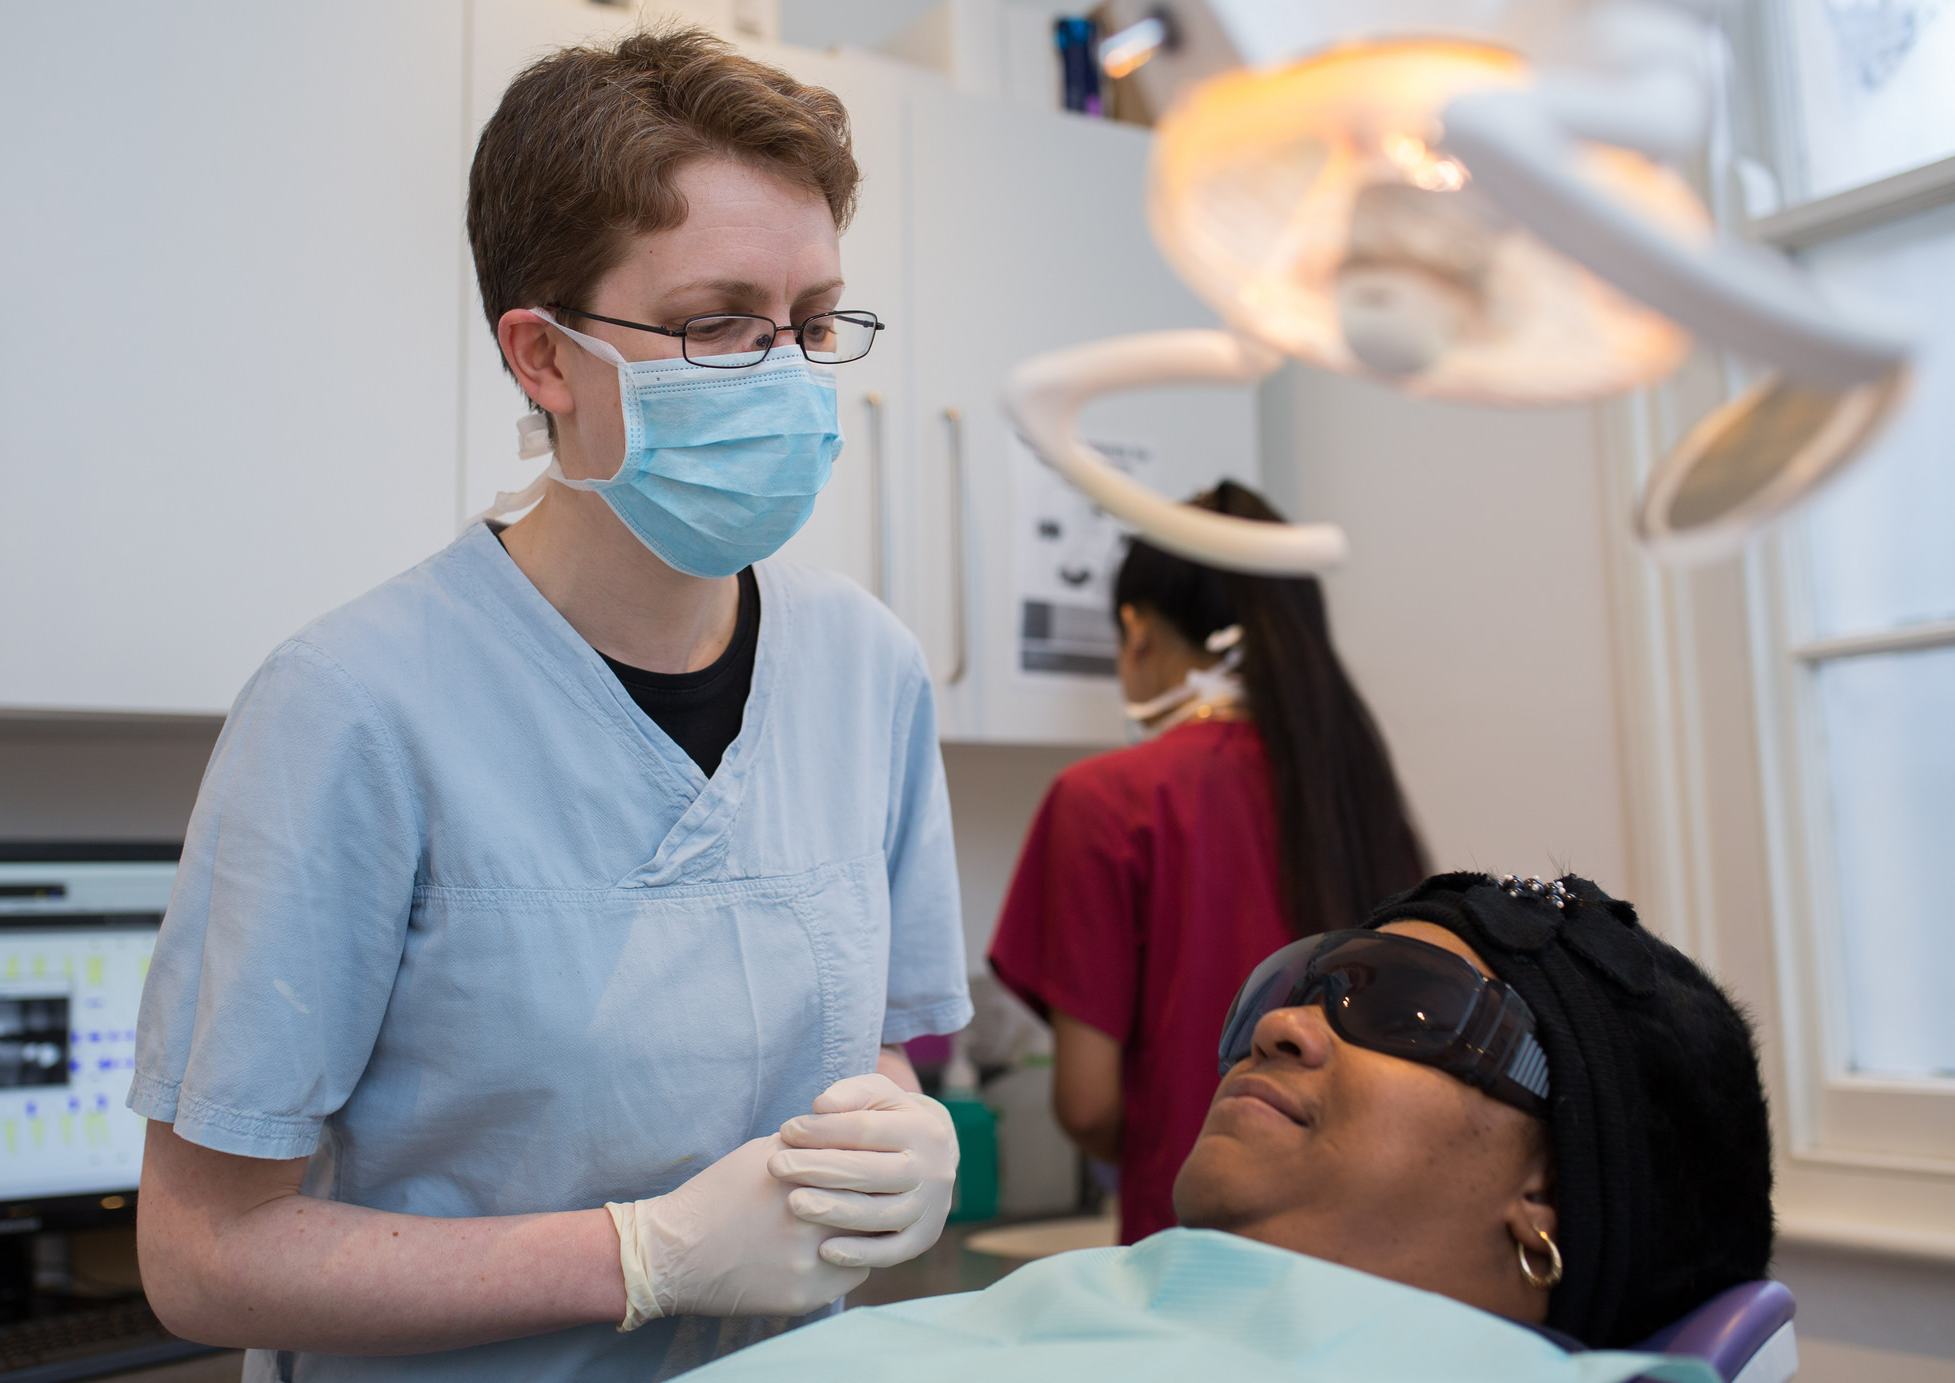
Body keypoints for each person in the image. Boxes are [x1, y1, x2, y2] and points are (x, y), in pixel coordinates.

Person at [129, 30, 971, 1382]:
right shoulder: (351, 709)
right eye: (720, 323)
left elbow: (869, 1044)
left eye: (812, 324)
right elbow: (202, 1251)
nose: (786, 378)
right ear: (544, 357)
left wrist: (899, 1133)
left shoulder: (867, 669)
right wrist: (642, 1254)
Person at [678, 872, 1777, 1382]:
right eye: (1303, 988)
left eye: (1403, 1009)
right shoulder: (1082, 1313)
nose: (1288, 1026)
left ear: (1551, 1193)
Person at [988, 480, 1427, 1243]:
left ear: (1137, 630)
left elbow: (1087, 1105)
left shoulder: (1104, 799)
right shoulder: (1357, 794)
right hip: (1368, 1253)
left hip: (1195, 1251)